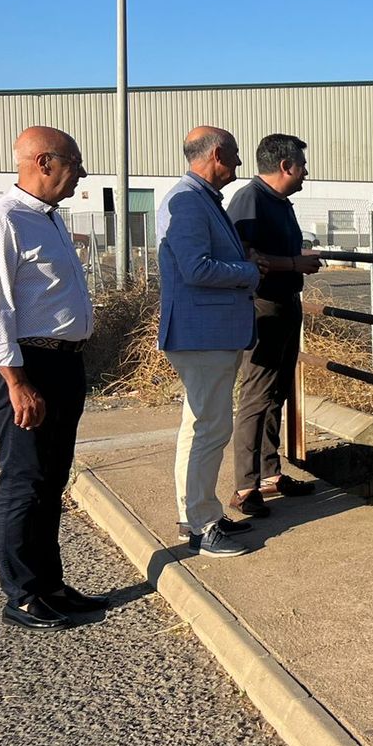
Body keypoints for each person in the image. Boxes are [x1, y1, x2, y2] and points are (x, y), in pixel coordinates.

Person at [0, 126, 105, 631]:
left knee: (52, 478)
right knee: (25, 480)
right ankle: (23, 595)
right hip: (26, 366)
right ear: (44, 162)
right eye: (74, 162)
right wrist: (16, 381)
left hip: (63, 364)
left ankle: (51, 584)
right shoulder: (3, 222)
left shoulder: (47, 220)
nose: (82, 173)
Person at [158, 127, 267, 557]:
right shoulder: (189, 201)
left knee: (200, 425)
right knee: (210, 428)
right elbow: (196, 269)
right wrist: (249, 272)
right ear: (218, 154)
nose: (239, 163)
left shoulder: (198, 197)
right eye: (235, 154)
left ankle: (197, 514)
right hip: (203, 335)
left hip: (205, 332)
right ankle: (202, 527)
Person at [226, 133, 322, 517]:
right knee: (257, 394)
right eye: (301, 165)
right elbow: (243, 255)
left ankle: (269, 473)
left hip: (285, 303)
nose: (305, 172)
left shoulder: (279, 202)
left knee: (277, 391)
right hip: (263, 306)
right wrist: (294, 263)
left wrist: (294, 261)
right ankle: (245, 486)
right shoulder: (249, 199)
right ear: (285, 166)